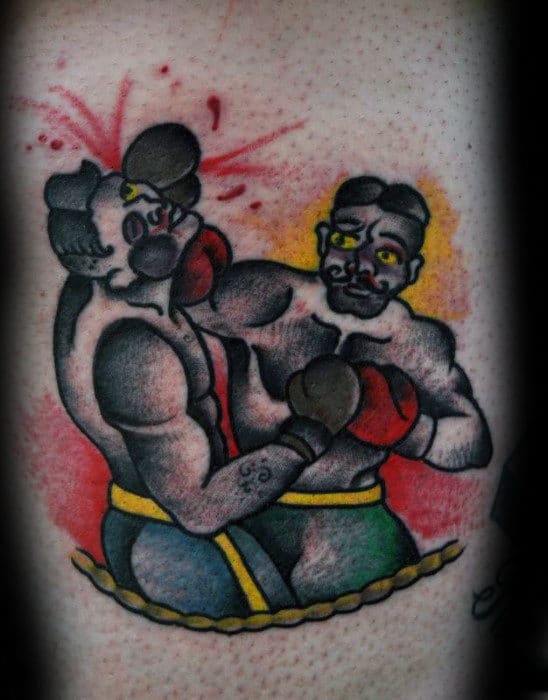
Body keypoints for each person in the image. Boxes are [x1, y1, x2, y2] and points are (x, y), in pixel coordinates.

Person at [45, 124, 362, 619]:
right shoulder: (136, 354)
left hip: (170, 530)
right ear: (110, 269)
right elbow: (199, 508)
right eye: (136, 228)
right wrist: (308, 435)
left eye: (140, 196)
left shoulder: (123, 289)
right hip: (172, 547)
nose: (158, 212)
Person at [189, 175, 493, 607]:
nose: (361, 265)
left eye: (386, 254)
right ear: (323, 240)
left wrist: (409, 431)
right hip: (247, 512)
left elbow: (474, 440)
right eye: (348, 241)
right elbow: (178, 308)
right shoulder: (271, 297)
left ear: (411, 271)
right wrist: (178, 265)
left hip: (353, 523)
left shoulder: (414, 342)